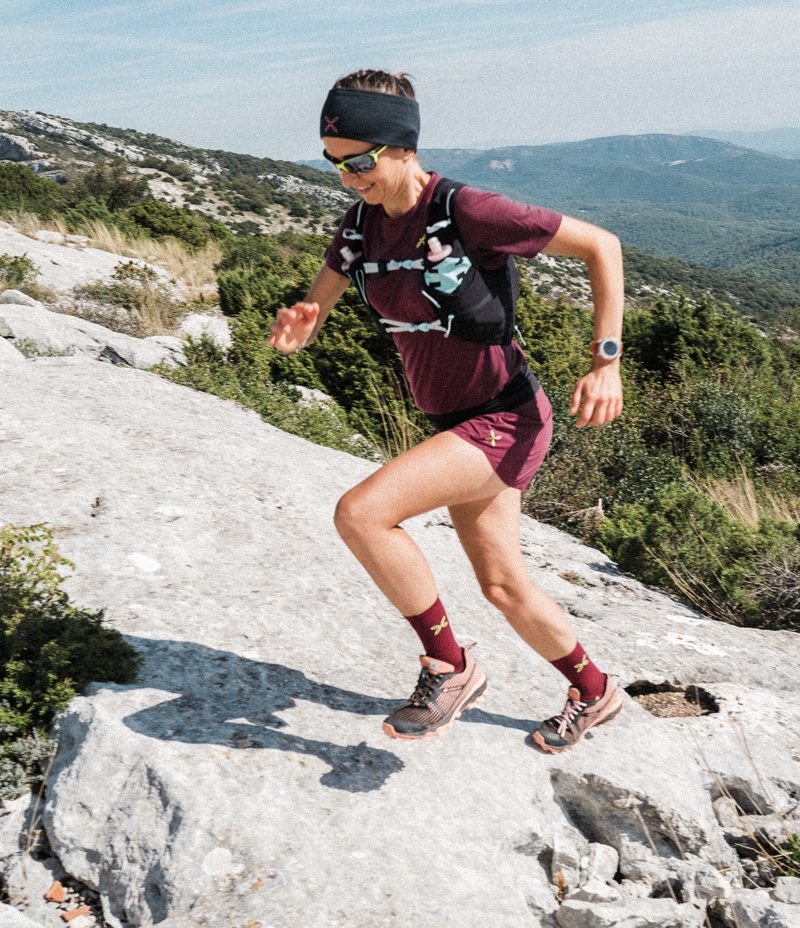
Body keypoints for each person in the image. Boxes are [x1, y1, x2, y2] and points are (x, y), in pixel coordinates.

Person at [267, 69, 626, 753]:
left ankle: (449, 667)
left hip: (506, 418)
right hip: (456, 423)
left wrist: (605, 361)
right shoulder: (361, 226)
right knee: (505, 586)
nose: (347, 178)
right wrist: (303, 323)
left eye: (360, 162)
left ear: (403, 147)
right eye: (334, 163)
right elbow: (320, 300)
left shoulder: (465, 210)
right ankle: (594, 689)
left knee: (361, 513)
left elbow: (601, 245)